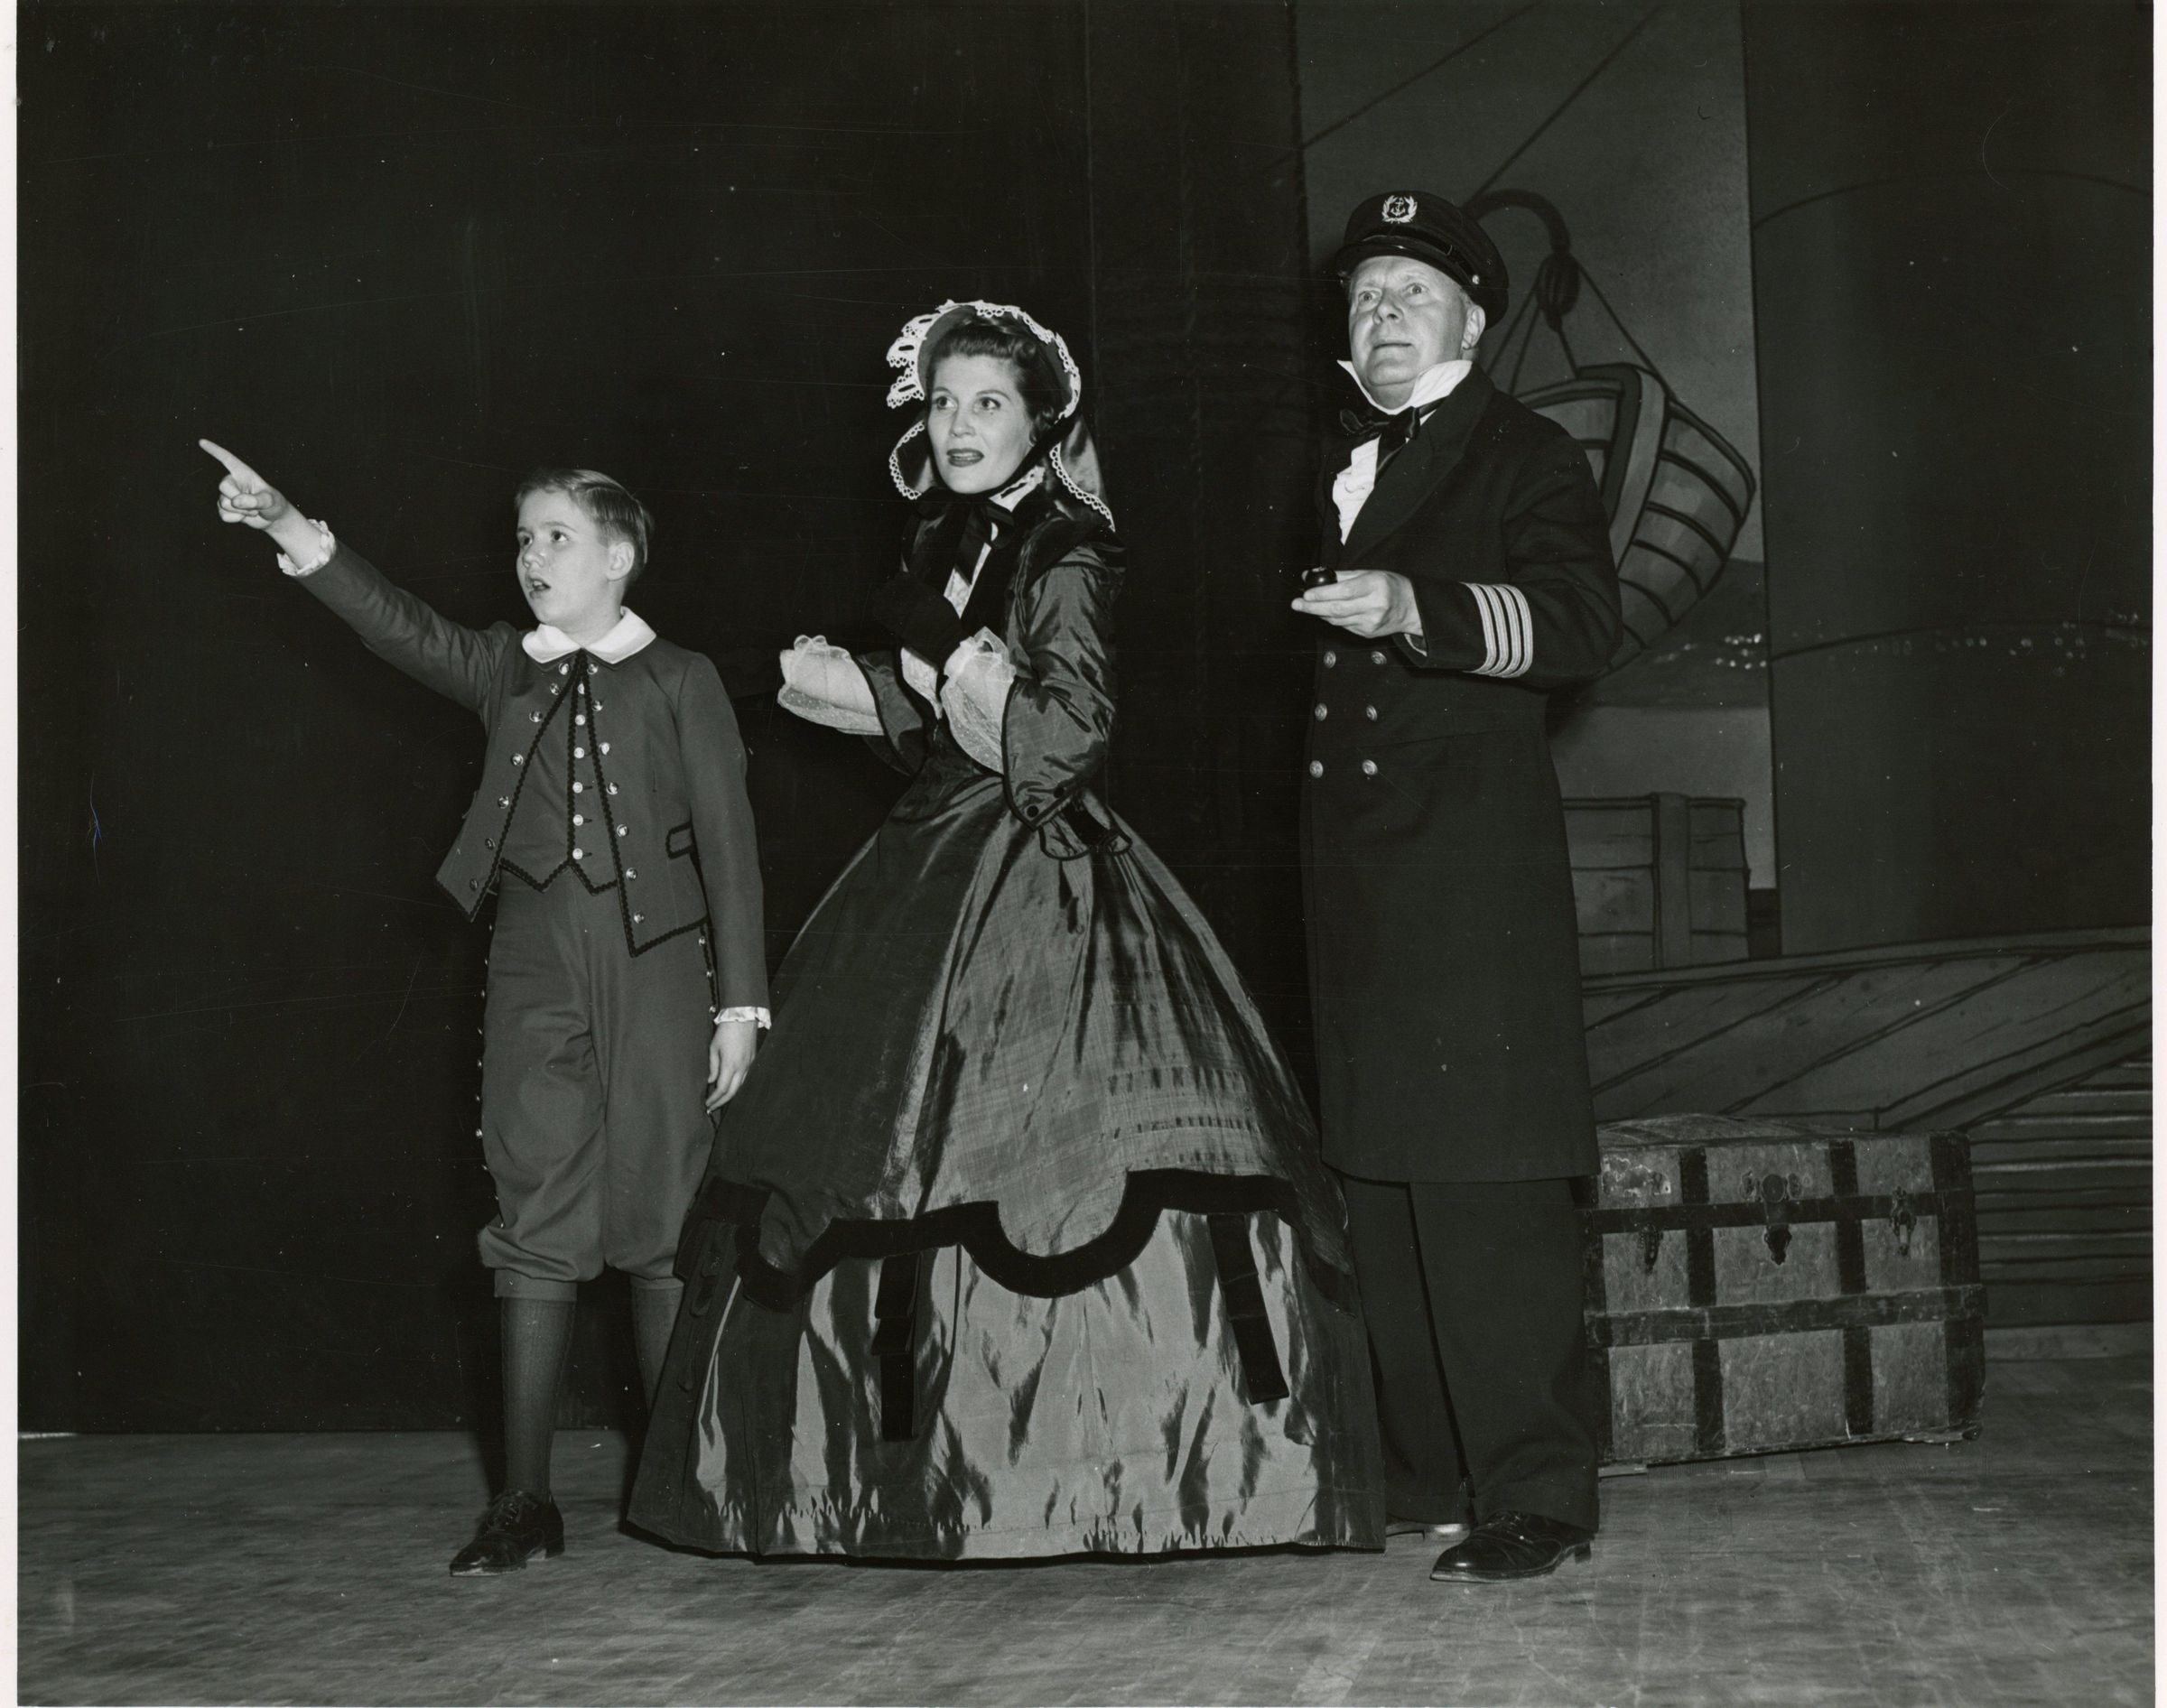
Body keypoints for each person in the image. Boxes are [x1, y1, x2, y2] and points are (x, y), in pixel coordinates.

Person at [628, 302, 1382, 1561]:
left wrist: (946, 651)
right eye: (943, 403)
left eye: (988, 403)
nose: (960, 425)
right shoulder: (945, 536)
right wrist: (841, 677)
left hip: (1037, 863)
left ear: (1041, 422)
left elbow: (1061, 744)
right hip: (933, 847)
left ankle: (1132, 1476)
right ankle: (895, 1474)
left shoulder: (1067, 547)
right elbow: (931, 726)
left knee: (1031, 1159)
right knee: (882, 1146)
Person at [200, 443, 769, 1575]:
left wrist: (741, 1004)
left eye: (557, 537)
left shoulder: (681, 677)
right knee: (535, 1208)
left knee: (660, 1214)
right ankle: (523, 1502)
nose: (531, 557)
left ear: (620, 555)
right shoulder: (508, 666)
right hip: (533, 963)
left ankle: (679, 1491)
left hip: (660, 966)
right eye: (523, 539)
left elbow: (730, 846)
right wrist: (289, 526)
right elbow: (400, 625)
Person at [1288, 191, 1621, 1583]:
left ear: (1474, 322)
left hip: (1471, 877)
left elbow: (1585, 625)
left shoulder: (1523, 450)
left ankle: (1538, 1489)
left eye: (1412, 296)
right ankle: (1428, 1470)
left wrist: (1418, 608)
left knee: (1488, 1178)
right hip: (1354, 880)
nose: (1382, 317)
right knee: (1381, 1176)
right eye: (1365, 296)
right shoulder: (1325, 461)